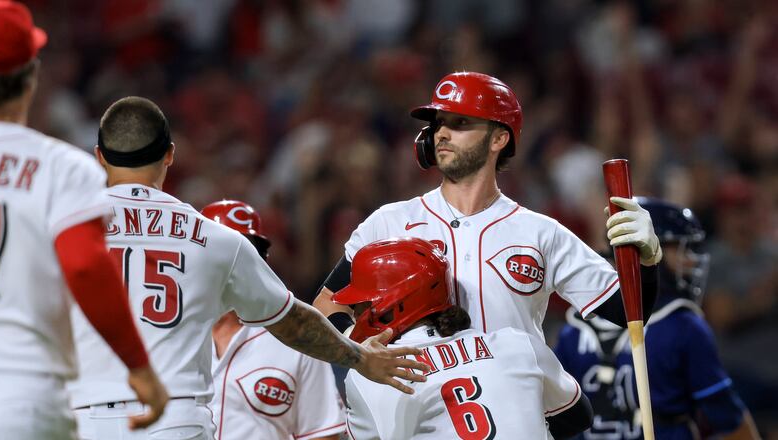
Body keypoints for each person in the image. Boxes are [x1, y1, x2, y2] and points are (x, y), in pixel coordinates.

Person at [314, 71, 662, 428]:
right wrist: (355, 351)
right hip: (414, 421)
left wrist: (648, 258)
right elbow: (328, 305)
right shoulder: (389, 221)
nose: (442, 133)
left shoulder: (540, 233)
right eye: (438, 123)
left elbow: (627, 311)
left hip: (515, 422)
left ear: (499, 138)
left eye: (460, 122)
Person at [69, 96, 428, 439]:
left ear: (99, 156)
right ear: (169, 155)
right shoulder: (214, 237)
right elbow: (293, 322)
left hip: (79, 417)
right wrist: (359, 357)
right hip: (174, 419)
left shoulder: (57, 231)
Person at [0, 2, 168, 438]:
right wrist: (139, 367)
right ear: (32, 76)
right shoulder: (61, 166)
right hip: (21, 394)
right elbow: (85, 265)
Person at [339, 236, 591, 439]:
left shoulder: (371, 376)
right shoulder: (517, 343)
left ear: (394, 305)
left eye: (362, 303)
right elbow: (579, 418)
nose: (355, 312)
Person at [554, 197, 761, 439]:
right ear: (645, 248)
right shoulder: (683, 325)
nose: (691, 260)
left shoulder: (573, 330)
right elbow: (728, 418)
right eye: (679, 249)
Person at [203, 200, 345, 440]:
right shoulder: (172, 329)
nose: (234, 263)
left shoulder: (298, 340)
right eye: (223, 251)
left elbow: (321, 432)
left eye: (246, 252)